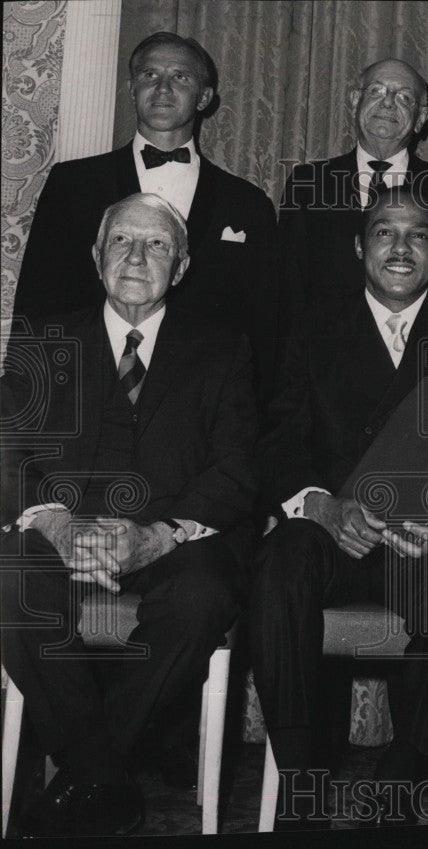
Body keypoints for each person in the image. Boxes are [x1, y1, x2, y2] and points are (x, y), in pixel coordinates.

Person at [0, 193, 258, 837]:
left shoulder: (222, 350)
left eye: (158, 245)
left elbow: (239, 466)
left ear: (184, 263)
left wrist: (160, 536)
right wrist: (54, 521)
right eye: (122, 242)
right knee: (7, 574)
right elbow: (8, 446)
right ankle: (104, 776)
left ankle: (84, 776)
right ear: (96, 256)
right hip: (60, 532)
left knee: (205, 594)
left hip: (166, 542)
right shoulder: (43, 339)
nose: (138, 257)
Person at [250, 186, 428, 829]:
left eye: (418, 234)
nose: (400, 246)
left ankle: (404, 771)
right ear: (359, 246)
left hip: (424, 541)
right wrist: (323, 506)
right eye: (384, 231)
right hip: (333, 532)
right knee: (279, 563)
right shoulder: (312, 327)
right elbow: (279, 440)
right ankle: (300, 780)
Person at [14, 31, 280, 399]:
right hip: (84, 392)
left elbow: (265, 326)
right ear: (131, 88)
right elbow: (37, 300)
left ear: (204, 97)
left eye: (180, 77)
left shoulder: (247, 203)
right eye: (149, 75)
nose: (163, 88)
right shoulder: (73, 184)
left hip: (200, 405)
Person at [278, 58, 428, 321]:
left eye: (404, 97)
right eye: (376, 90)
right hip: (324, 351)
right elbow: (288, 288)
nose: (387, 102)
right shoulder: (307, 183)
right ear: (354, 101)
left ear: (421, 118)